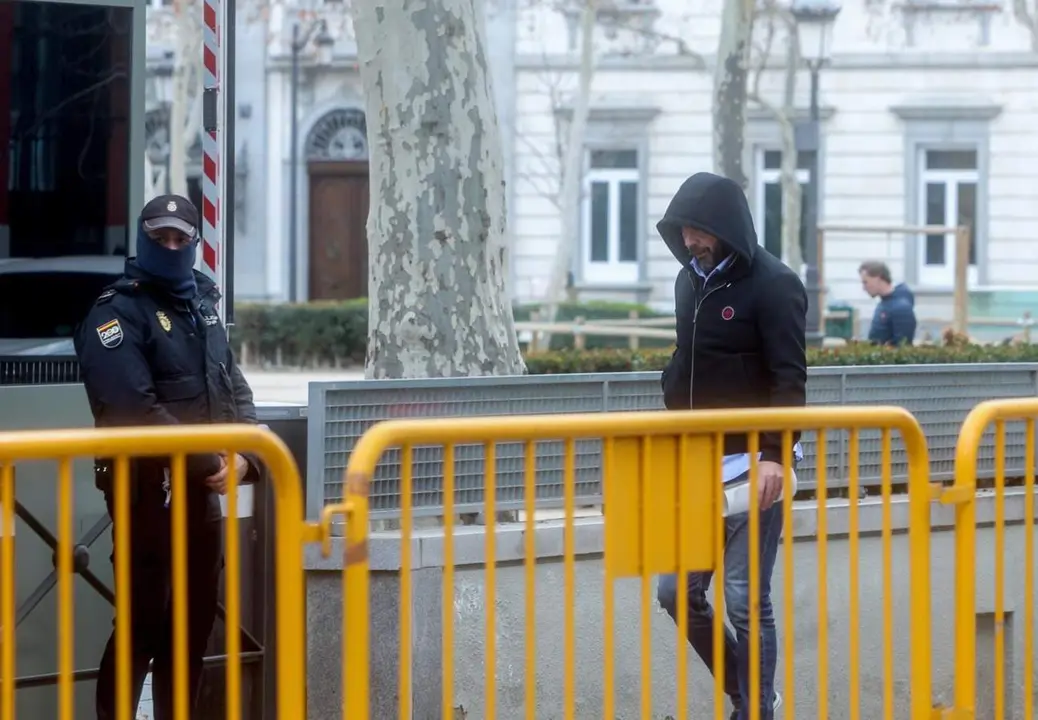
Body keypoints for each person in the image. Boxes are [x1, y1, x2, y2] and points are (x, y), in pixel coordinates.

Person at [74, 194, 262, 720]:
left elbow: (235, 390)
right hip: (145, 497)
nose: (172, 247)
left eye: (182, 239)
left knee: (193, 624)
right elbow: (131, 410)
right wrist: (215, 460)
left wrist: (245, 455)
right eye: (161, 238)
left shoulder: (202, 305)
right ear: (142, 239)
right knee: (142, 626)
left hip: (201, 498)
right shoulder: (116, 314)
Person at [654, 172, 807, 720]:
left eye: (698, 229)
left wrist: (773, 454)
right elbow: (688, 358)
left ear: (724, 226)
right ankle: (748, 694)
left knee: (744, 599)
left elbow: (789, 379)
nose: (689, 239)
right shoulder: (687, 280)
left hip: (755, 468)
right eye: (682, 229)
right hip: (700, 463)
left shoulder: (775, 283)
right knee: (675, 592)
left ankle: (757, 712)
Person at [859, 260, 916, 346]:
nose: (864, 288)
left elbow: (903, 346)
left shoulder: (901, 308)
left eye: (866, 282)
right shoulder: (884, 303)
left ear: (877, 279)